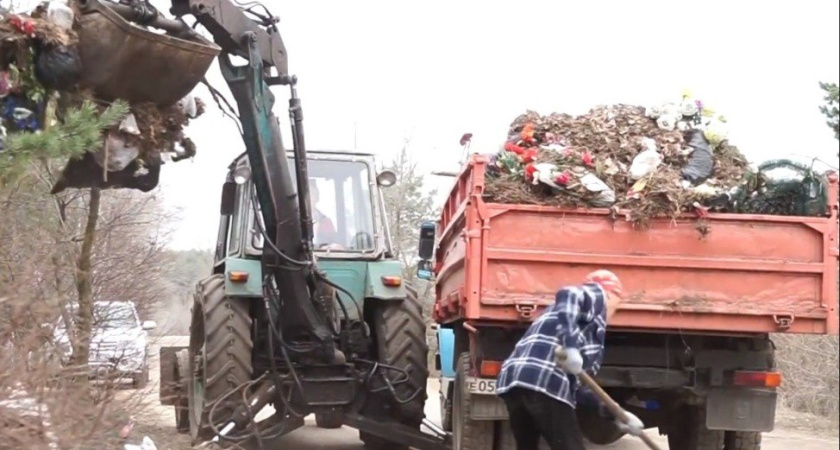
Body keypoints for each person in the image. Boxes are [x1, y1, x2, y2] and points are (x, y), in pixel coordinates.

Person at [495, 270, 643, 450]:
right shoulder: (597, 296)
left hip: (515, 381)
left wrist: (618, 415)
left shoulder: (587, 331)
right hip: (546, 381)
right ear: (612, 295)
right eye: (617, 305)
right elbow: (569, 294)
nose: (614, 312)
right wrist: (571, 346)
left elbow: (581, 390)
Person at [309, 179, 339, 246]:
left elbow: (332, 241)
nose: (312, 198)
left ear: (317, 197)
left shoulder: (326, 221)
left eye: (314, 194)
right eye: (309, 194)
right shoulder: (293, 221)